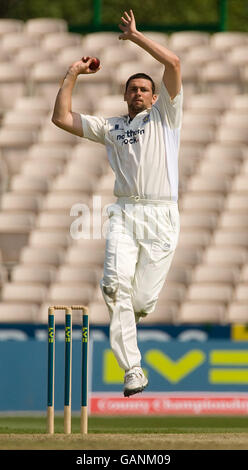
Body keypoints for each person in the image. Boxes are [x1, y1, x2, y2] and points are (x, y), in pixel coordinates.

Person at [52, 9, 183, 397]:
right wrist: (73, 72)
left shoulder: (166, 117)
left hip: (162, 214)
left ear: (155, 96)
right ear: (125, 95)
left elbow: (173, 62)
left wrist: (136, 36)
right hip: (125, 213)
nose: (138, 93)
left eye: (144, 89)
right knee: (113, 286)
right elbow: (61, 118)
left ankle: (132, 313)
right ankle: (133, 369)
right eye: (133, 89)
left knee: (140, 300)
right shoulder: (112, 127)